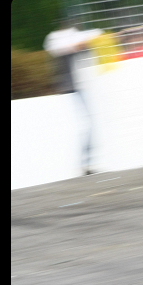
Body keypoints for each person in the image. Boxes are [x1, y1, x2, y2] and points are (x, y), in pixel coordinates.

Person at [43, 17, 102, 175]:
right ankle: (85, 163)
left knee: (89, 124)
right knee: (86, 124)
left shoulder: (76, 39)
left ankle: (86, 164)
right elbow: (64, 48)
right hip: (70, 88)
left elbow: (89, 42)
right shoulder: (56, 40)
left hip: (79, 87)